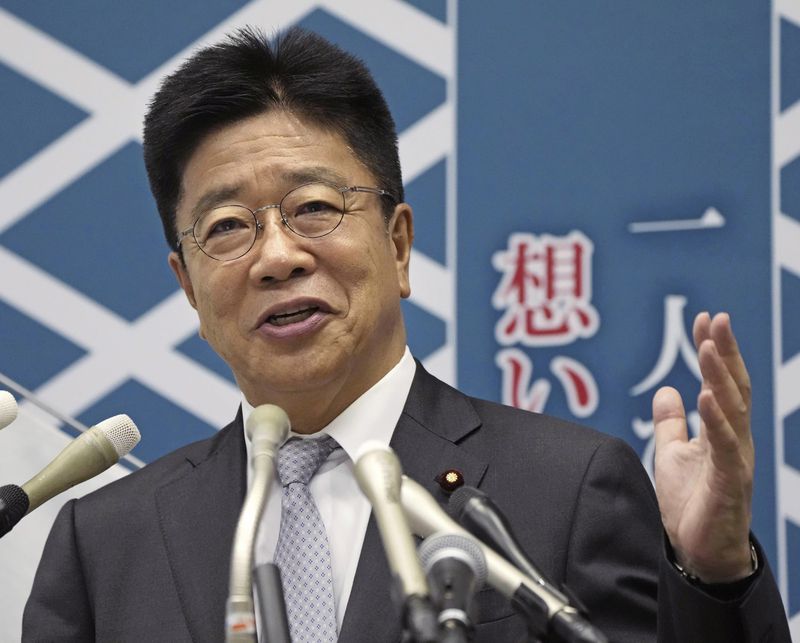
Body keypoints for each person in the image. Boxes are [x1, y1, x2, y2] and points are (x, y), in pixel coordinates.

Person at [23, 26, 790, 642]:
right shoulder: (105, 543)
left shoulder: (565, 489)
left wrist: (712, 576)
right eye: (228, 227)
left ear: (397, 244)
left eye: (314, 207)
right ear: (188, 284)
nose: (278, 256)